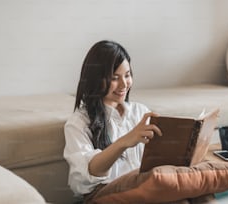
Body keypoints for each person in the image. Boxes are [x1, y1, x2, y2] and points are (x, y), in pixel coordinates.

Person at [63, 40, 162, 202]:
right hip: (105, 195)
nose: (124, 84)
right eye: (114, 78)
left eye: (127, 75)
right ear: (96, 79)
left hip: (146, 191)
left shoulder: (140, 112)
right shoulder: (78, 123)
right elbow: (85, 177)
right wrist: (125, 141)